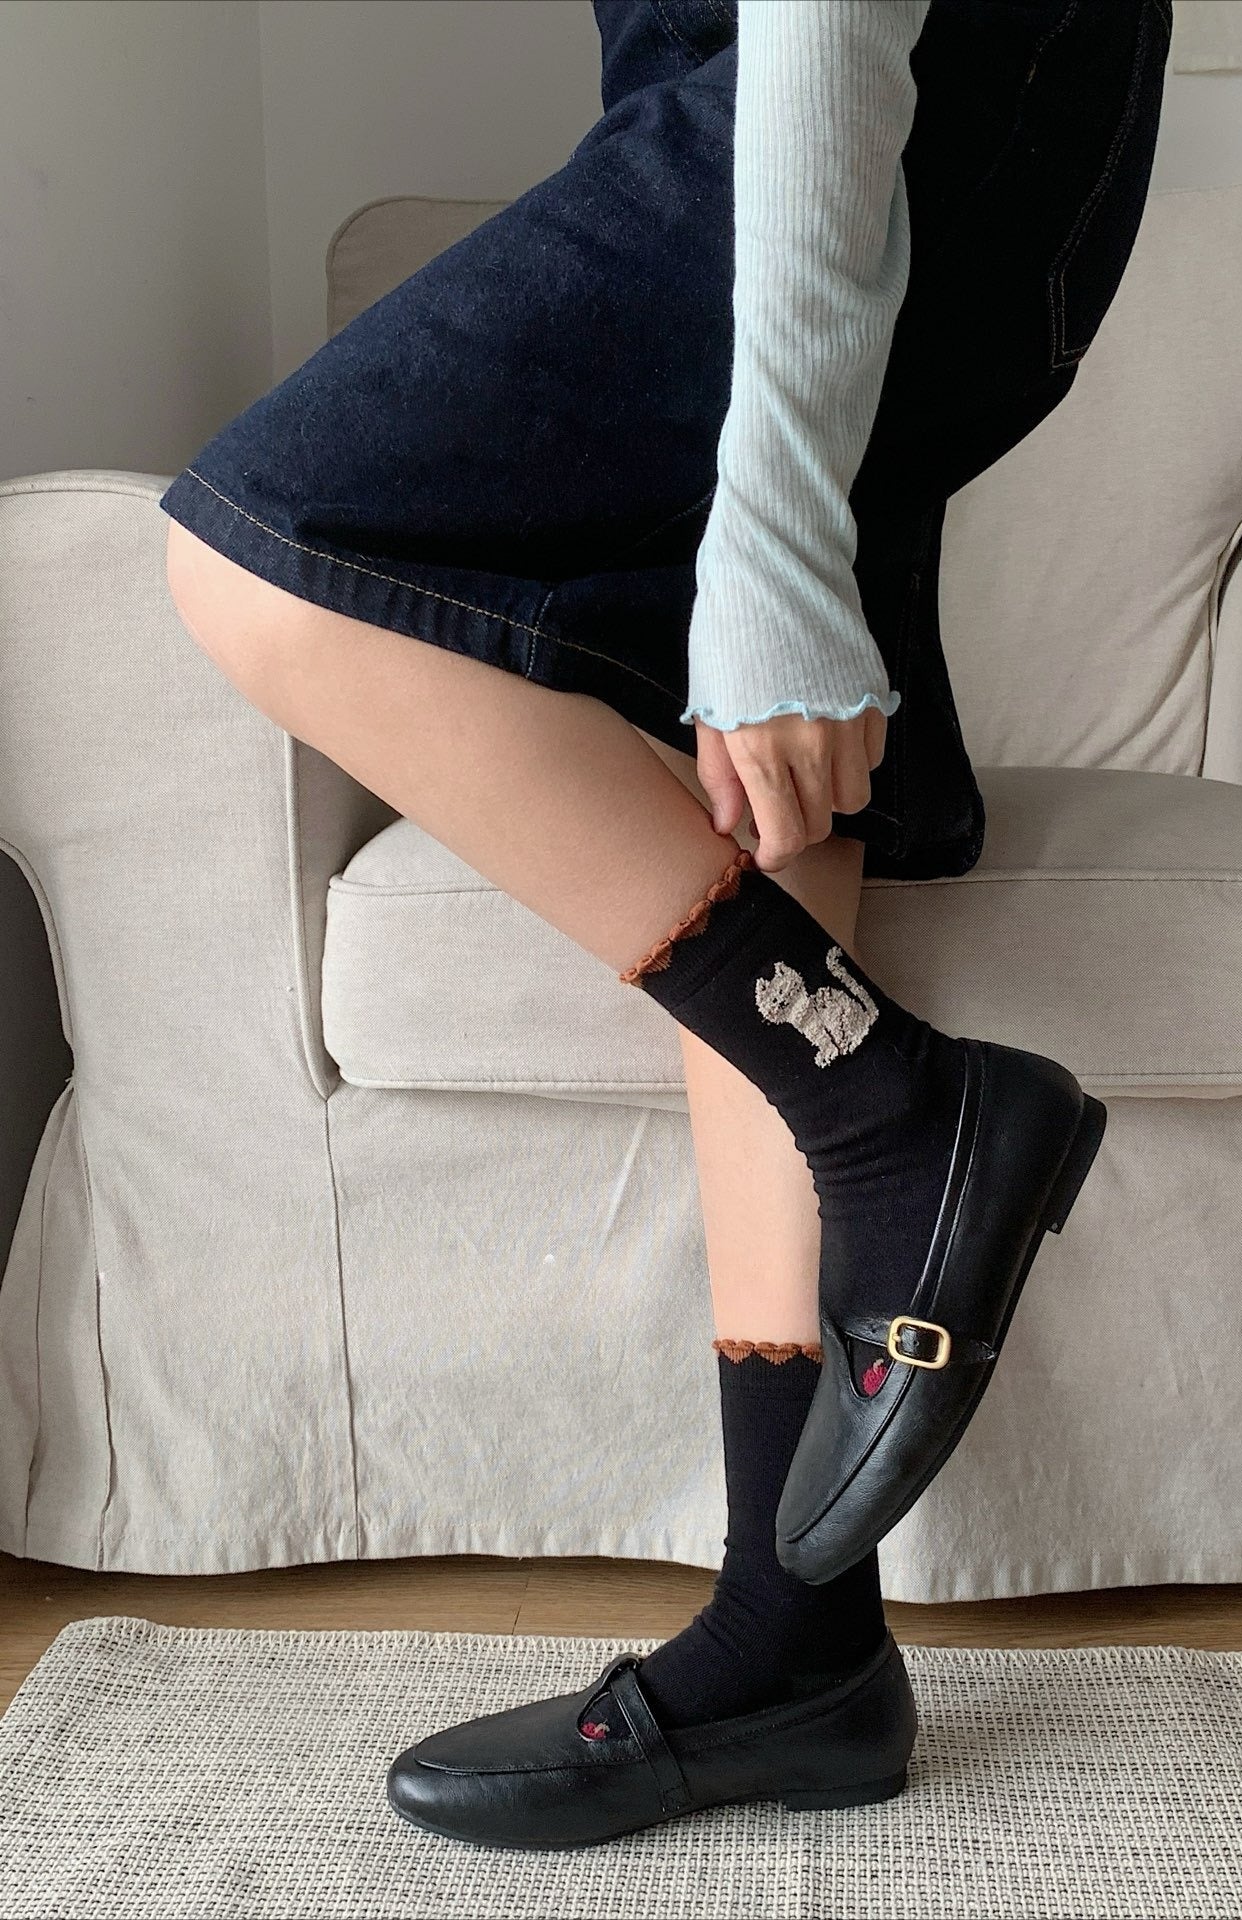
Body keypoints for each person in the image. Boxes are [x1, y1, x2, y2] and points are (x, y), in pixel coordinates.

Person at [160, 0, 1169, 1851]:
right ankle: (801, 1646)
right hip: (896, 106)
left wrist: (772, 535)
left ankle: (897, 1109)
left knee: (260, 551)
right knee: (766, 790)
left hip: (860, 87)